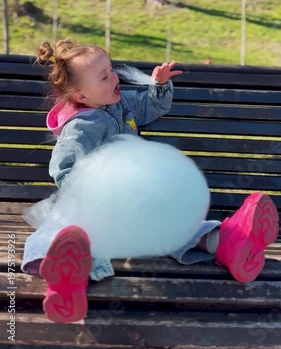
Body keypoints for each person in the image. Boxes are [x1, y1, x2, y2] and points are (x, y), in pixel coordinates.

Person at [21, 39, 279, 324]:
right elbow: (64, 170)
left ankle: (227, 241)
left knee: (169, 221)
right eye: (104, 76)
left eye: (111, 69)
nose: (114, 77)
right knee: (58, 231)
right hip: (90, 205)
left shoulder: (121, 104)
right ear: (81, 96)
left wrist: (158, 85)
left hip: (131, 202)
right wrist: (91, 196)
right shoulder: (80, 129)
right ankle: (66, 277)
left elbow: (151, 106)